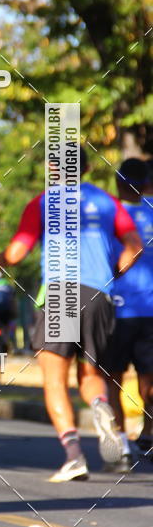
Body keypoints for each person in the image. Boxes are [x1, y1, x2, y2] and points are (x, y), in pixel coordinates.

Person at [0, 147, 142, 482]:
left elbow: (17, 252)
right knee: (91, 376)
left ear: (53, 167)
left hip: (61, 290)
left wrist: (2, 259)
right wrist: (114, 272)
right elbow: (134, 245)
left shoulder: (44, 201)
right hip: (100, 294)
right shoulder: (109, 201)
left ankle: (74, 455)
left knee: (54, 378)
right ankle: (100, 409)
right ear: (88, 167)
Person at [104, 158, 153, 468]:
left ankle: (120, 442)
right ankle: (148, 433)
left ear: (119, 184)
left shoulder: (110, 215)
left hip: (117, 310)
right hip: (150, 310)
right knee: (149, 375)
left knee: (113, 378)